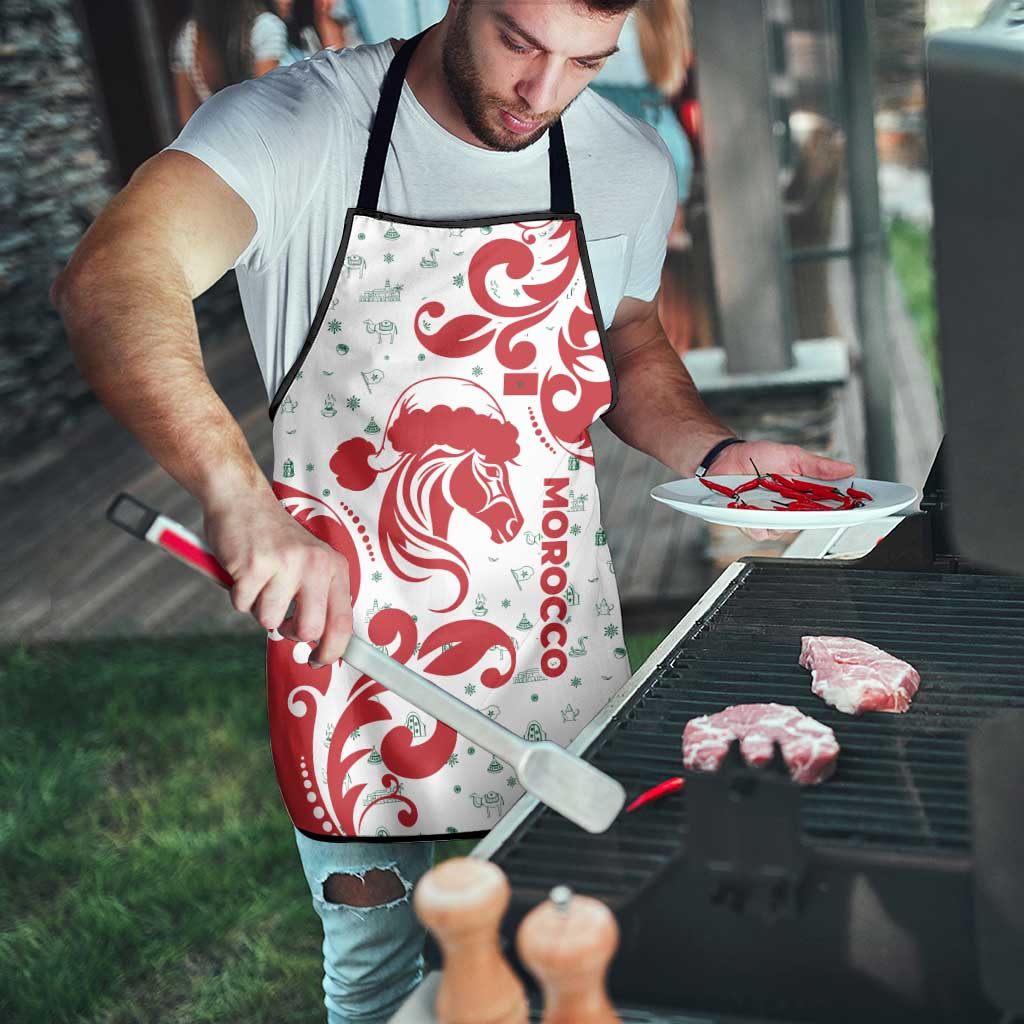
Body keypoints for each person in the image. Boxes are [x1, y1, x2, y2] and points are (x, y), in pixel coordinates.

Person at [53, 2, 856, 1020]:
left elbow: (629, 338)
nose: (543, 93)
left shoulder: (624, 160)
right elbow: (113, 276)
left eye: (585, 62)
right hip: (350, 659)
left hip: (552, 641)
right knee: (380, 979)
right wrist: (237, 496)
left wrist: (717, 448)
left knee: (577, 953)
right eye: (520, 42)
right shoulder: (298, 126)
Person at [170, 0, 289, 126]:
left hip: (215, 139)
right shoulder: (266, 27)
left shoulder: (188, 37)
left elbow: (188, 121)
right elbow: (266, 107)